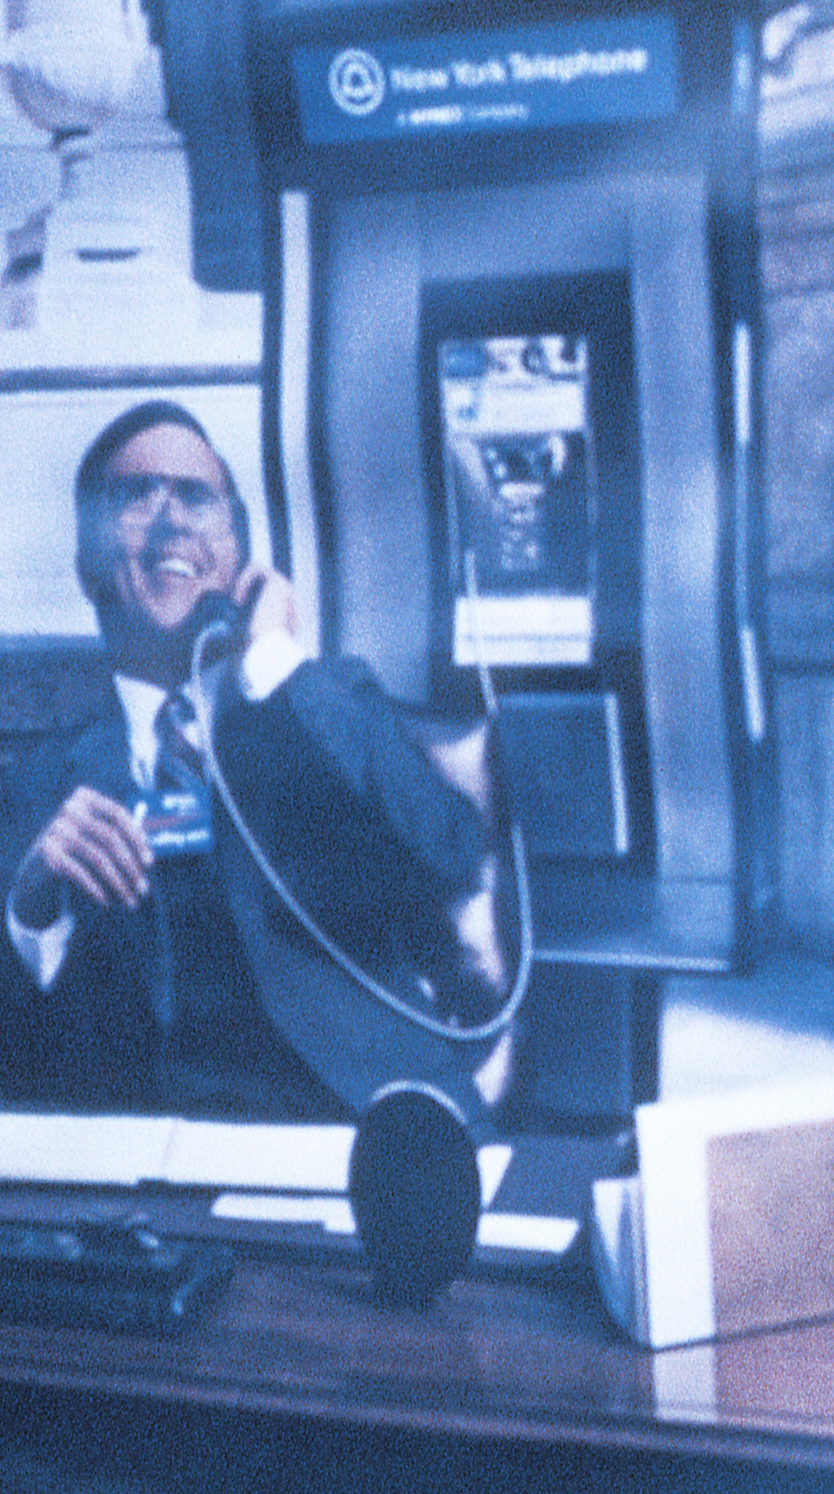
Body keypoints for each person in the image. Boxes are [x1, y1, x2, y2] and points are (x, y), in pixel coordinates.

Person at [0, 401, 501, 1119]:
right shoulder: (36, 787)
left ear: (236, 554)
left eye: (197, 498)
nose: (172, 520)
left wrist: (272, 660)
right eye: (136, 496)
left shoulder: (328, 702)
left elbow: (450, 858)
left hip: (349, 1116)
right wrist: (31, 906)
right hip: (138, 1138)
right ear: (86, 562)